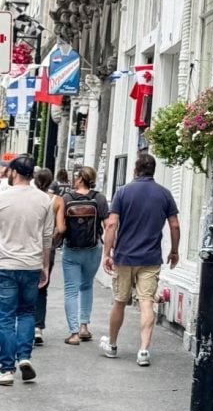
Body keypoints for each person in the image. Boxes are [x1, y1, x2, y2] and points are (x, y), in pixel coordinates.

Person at [101, 153, 179, 366]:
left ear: (135, 170)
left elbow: (111, 224)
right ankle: (143, 350)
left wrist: (107, 253)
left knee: (119, 301)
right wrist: (174, 250)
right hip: (150, 257)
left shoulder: (123, 192)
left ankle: (113, 344)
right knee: (146, 302)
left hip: (125, 256)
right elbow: (174, 225)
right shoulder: (164, 194)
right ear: (153, 170)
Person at [0, 154, 54, 384]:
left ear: (14, 172)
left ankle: (6, 369)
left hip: (5, 263)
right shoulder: (44, 200)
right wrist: (45, 266)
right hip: (31, 263)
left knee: (5, 316)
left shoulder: (2, 197)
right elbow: (47, 236)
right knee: (26, 312)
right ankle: (24, 356)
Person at [61, 166, 109, 345]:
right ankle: (84, 327)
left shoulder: (66, 198)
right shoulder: (99, 198)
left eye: (76, 176)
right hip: (92, 249)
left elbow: (61, 226)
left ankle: (73, 333)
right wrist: (110, 250)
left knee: (71, 290)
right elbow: (109, 225)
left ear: (80, 178)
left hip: (71, 250)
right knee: (86, 286)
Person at [32, 168, 66, 345]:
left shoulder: (31, 197)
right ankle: (38, 327)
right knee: (42, 286)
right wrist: (51, 237)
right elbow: (61, 228)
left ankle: (22, 323)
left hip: (28, 245)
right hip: (48, 248)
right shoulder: (57, 200)